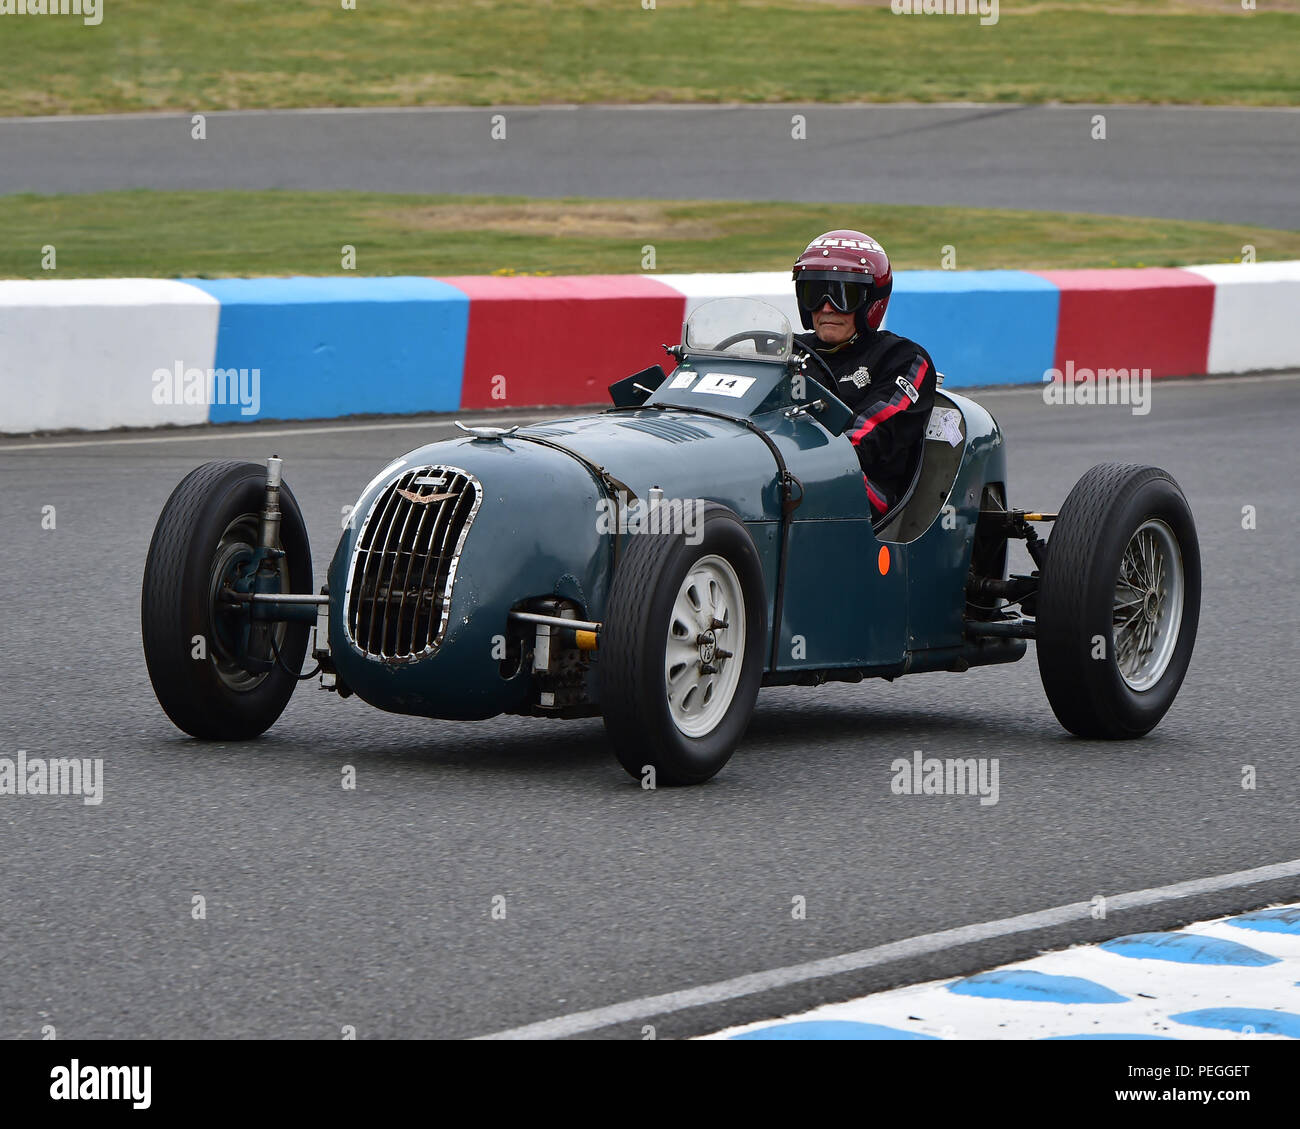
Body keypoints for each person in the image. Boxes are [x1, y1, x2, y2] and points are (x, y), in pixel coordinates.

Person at [791, 230, 937, 519]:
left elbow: (867, 437)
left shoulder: (902, 358)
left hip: (862, 490)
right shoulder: (784, 350)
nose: (827, 307)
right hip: (783, 467)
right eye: (814, 294)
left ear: (871, 302)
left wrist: (802, 460)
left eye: (843, 296)